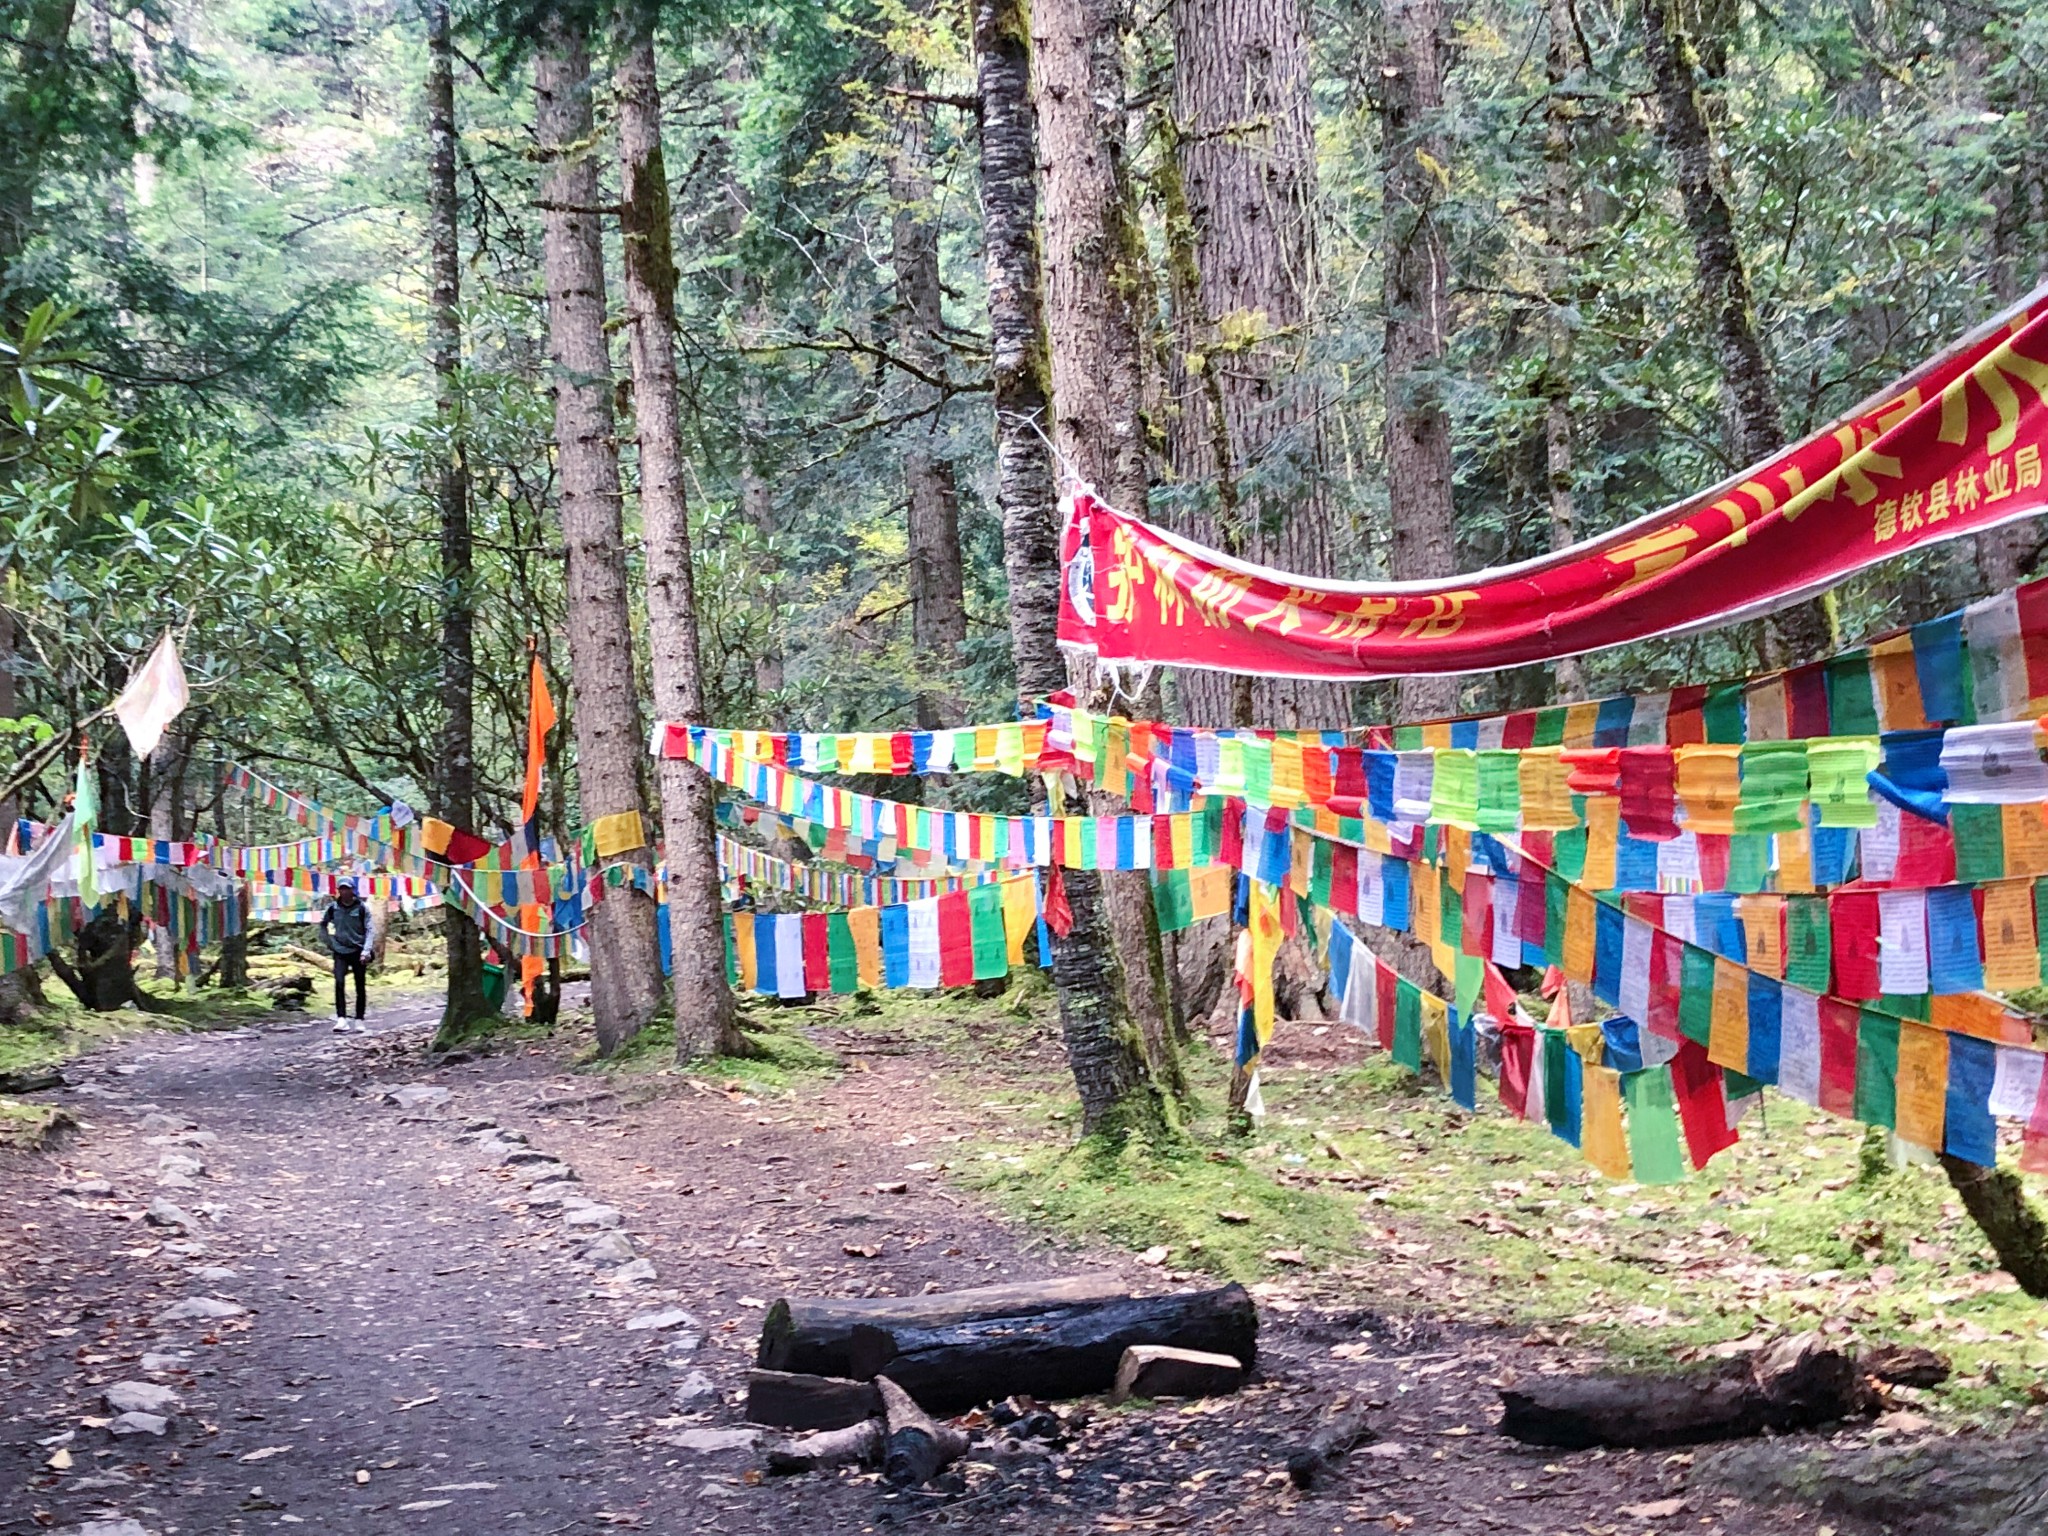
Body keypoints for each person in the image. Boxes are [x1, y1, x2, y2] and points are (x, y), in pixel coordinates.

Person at [322, 879, 372, 1030]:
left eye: (347, 889)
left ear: (353, 890)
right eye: (341, 889)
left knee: (360, 985)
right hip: (340, 951)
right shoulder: (333, 908)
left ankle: (359, 1019)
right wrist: (329, 943)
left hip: (358, 951)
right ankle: (341, 1018)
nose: (344, 892)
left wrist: (366, 950)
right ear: (338, 890)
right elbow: (323, 925)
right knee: (339, 983)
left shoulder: (362, 908)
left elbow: (370, 929)